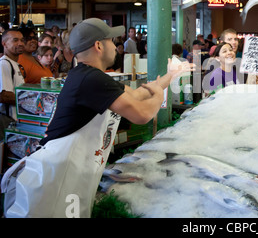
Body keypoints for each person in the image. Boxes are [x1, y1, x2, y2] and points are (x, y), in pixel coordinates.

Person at [1, 18, 194, 218]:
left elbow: (136, 96)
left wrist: (170, 76)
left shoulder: (90, 75)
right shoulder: (90, 79)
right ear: (99, 45)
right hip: (57, 177)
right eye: (112, 40)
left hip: (72, 171)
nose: (115, 46)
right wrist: (157, 95)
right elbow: (142, 114)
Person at [0, 29, 25, 140]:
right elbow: (3, 95)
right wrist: (29, 100)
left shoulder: (15, 64)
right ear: (4, 44)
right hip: (6, 121)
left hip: (14, 121)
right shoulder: (4, 64)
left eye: (21, 40)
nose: (20, 43)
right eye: (15, 40)